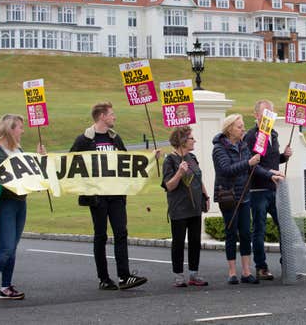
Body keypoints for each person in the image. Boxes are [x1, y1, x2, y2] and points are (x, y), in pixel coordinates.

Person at [70, 101, 148, 290]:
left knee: (121, 233)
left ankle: (124, 276)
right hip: (97, 196)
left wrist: (151, 157)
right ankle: (104, 278)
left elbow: (127, 162)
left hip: (116, 196)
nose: (114, 117)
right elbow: (69, 164)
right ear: (102, 116)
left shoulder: (115, 139)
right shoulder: (84, 140)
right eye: (111, 114)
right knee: (101, 235)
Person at [0, 114, 46, 303]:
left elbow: (27, 173)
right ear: (9, 129)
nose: (23, 131)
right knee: (6, 248)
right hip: (4, 203)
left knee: (12, 248)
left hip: (20, 202)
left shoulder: (18, 149)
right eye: (20, 127)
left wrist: (39, 159)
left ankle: (6, 287)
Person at [212, 114, 283, 285]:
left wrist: (269, 175)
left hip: (244, 195)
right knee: (231, 233)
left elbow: (253, 168)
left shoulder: (243, 145)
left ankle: (245, 271)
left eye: (243, 126)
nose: (243, 129)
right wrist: (248, 163)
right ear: (230, 129)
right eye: (239, 126)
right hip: (228, 196)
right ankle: (232, 272)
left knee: (245, 233)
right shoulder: (219, 148)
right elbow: (226, 169)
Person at [243, 100, 292, 281]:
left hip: (275, 188)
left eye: (271, 114)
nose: (269, 117)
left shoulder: (273, 134)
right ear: (256, 115)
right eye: (265, 114)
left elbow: (271, 161)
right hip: (258, 190)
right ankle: (261, 267)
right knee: (259, 229)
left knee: (284, 227)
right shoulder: (250, 136)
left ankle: (286, 261)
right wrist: (269, 175)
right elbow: (251, 165)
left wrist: (283, 157)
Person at [162, 126, 210, 287]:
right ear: (182, 141)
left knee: (195, 241)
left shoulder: (192, 158)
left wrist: (205, 195)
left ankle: (194, 274)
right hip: (179, 208)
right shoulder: (170, 160)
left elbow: (198, 177)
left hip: (195, 206)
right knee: (179, 242)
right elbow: (169, 185)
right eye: (191, 138)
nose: (194, 140)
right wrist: (179, 173)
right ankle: (178, 275)